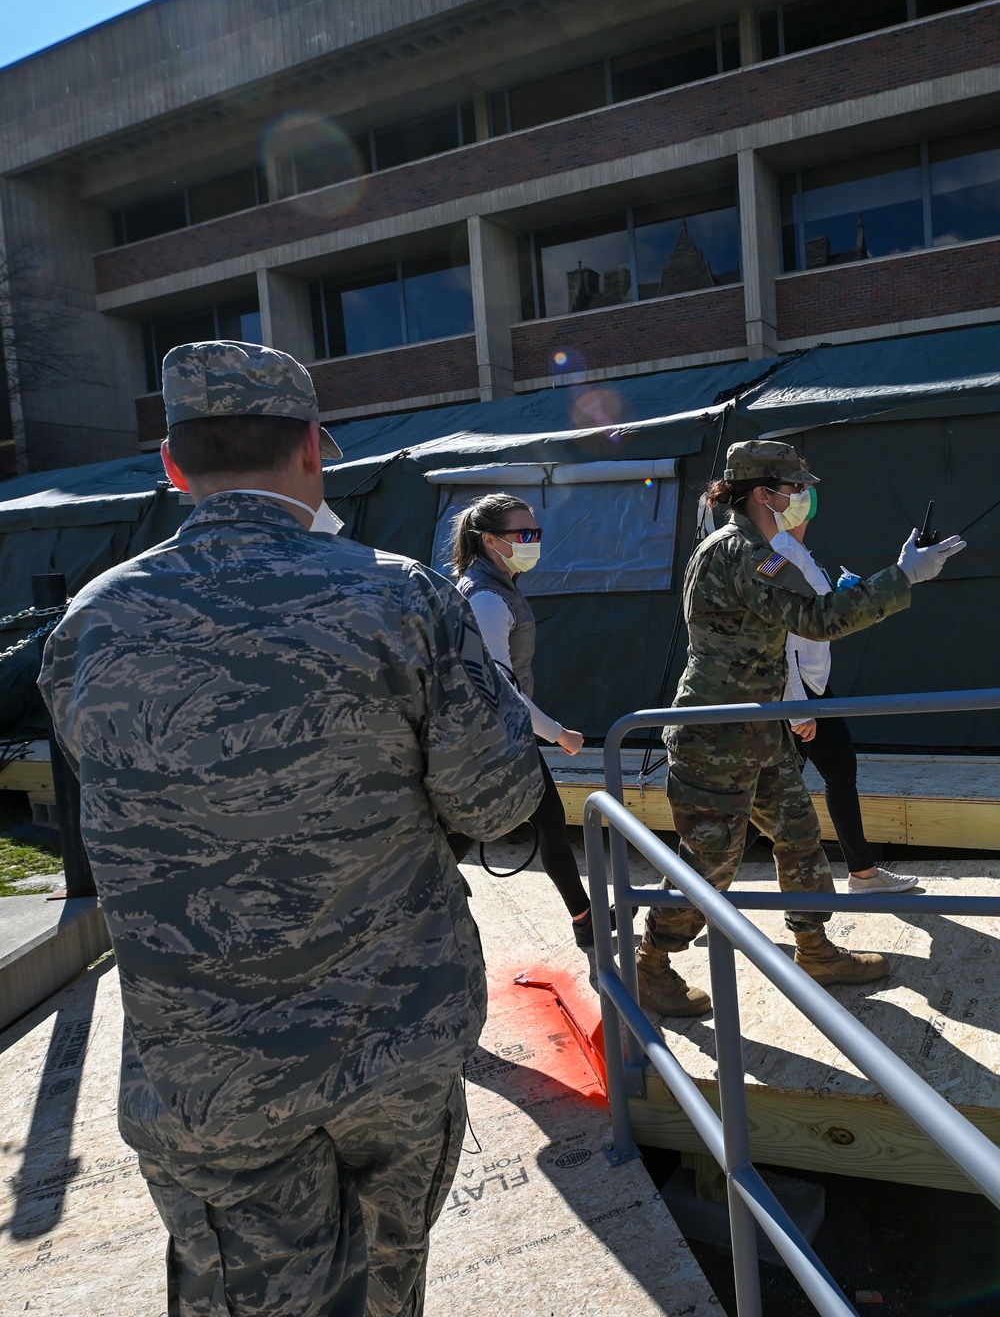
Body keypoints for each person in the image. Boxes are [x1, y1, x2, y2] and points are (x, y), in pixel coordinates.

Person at [39, 341, 543, 1317]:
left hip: (211, 1074)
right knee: (387, 1286)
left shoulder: (93, 621)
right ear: (313, 450)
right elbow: (498, 802)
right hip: (396, 1043)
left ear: (173, 466)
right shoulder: (402, 594)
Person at [636, 439, 965, 1018]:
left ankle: (813, 947)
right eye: (793, 489)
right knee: (712, 861)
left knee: (798, 834)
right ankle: (652, 965)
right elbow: (817, 621)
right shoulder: (745, 553)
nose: (801, 498)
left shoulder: (756, 548)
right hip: (717, 735)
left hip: (757, 726)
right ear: (764, 493)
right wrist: (904, 576)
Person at [447, 492, 601, 948]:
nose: (535, 541)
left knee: (539, 820)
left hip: (498, 734)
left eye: (537, 532)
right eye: (525, 534)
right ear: (491, 540)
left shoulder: (498, 587)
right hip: (494, 736)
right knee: (465, 833)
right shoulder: (487, 599)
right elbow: (499, 688)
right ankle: (402, 909)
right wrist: (558, 734)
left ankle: (586, 920)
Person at [773, 496, 919, 894]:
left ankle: (864, 875)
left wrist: (845, 595)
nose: (805, 495)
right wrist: (796, 708)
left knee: (840, 773)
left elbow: (818, 616)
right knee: (761, 804)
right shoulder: (781, 549)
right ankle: (688, 896)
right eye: (796, 487)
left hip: (813, 690)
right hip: (798, 696)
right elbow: (780, 636)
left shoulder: (797, 549)